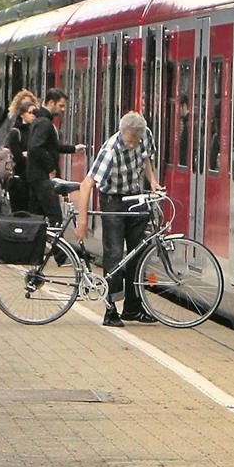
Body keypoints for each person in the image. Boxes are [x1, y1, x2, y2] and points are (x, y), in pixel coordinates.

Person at [74, 112, 161, 327]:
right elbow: (86, 185)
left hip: (135, 196)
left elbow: (146, 158)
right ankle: (110, 310)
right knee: (113, 253)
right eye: (130, 141)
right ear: (122, 133)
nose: (133, 145)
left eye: (136, 141)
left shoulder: (145, 135)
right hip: (112, 200)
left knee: (137, 252)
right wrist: (82, 221)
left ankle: (132, 308)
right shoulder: (110, 150)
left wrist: (153, 182)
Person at [26, 88, 85, 226]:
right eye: (61, 105)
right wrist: (50, 168)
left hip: (35, 176)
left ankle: (35, 245)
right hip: (42, 178)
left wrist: (73, 149)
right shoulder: (45, 123)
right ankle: (54, 247)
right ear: (51, 103)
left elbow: (51, 146)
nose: (63, 109)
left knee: (36, 216)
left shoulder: (40, 120)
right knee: (55, 218)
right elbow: (35, 147)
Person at [0, 90, 38, 218]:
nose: (27, 104)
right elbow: (4, 134)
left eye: (29, 102)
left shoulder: (31, 120)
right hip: (9, 153)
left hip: (16, 155)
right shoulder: (13, 118)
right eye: (24, 102)